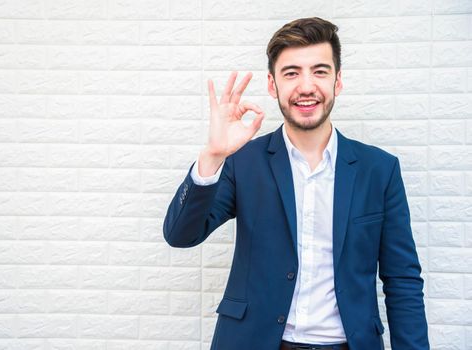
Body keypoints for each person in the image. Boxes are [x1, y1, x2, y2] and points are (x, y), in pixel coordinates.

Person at [163, 17, 429, 350]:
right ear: (273, 85)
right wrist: (213, 155)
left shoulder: (379, 170)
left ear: (338, 81)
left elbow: (402, 280)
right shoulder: (242, 161)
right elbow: (180, 235)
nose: (306, 86)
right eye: (291, 73)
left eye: (320, 71)